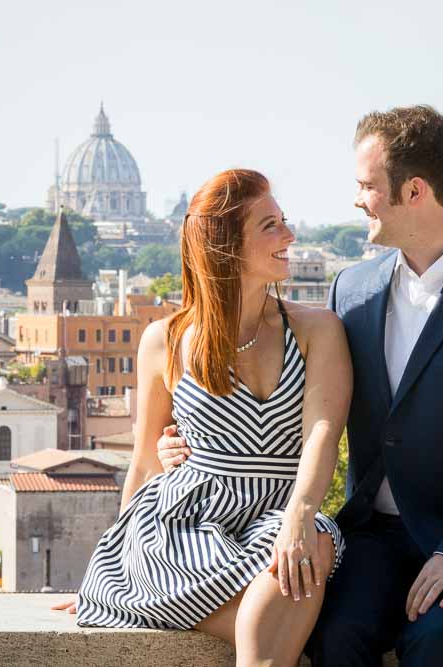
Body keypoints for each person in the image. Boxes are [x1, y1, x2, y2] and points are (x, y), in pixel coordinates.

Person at [158, 106, 443, 666]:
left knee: (433, 641)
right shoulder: (352, 290)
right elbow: (300, 401)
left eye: (367, 185)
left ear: (415, 191)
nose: (356, 198)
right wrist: (180, 443)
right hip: (377, 543)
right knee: (331, 637)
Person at [54, 168, 352, 667]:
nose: (290, 236)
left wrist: (299, 516)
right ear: (227, 246)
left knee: (312, 543)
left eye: (284, 221)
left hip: (279, 516)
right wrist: (109, 568)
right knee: (287, 603)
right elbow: (147, 463)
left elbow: (323, 432)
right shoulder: (164, 339)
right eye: (270, 226)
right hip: (182, 527)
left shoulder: (317, 329)